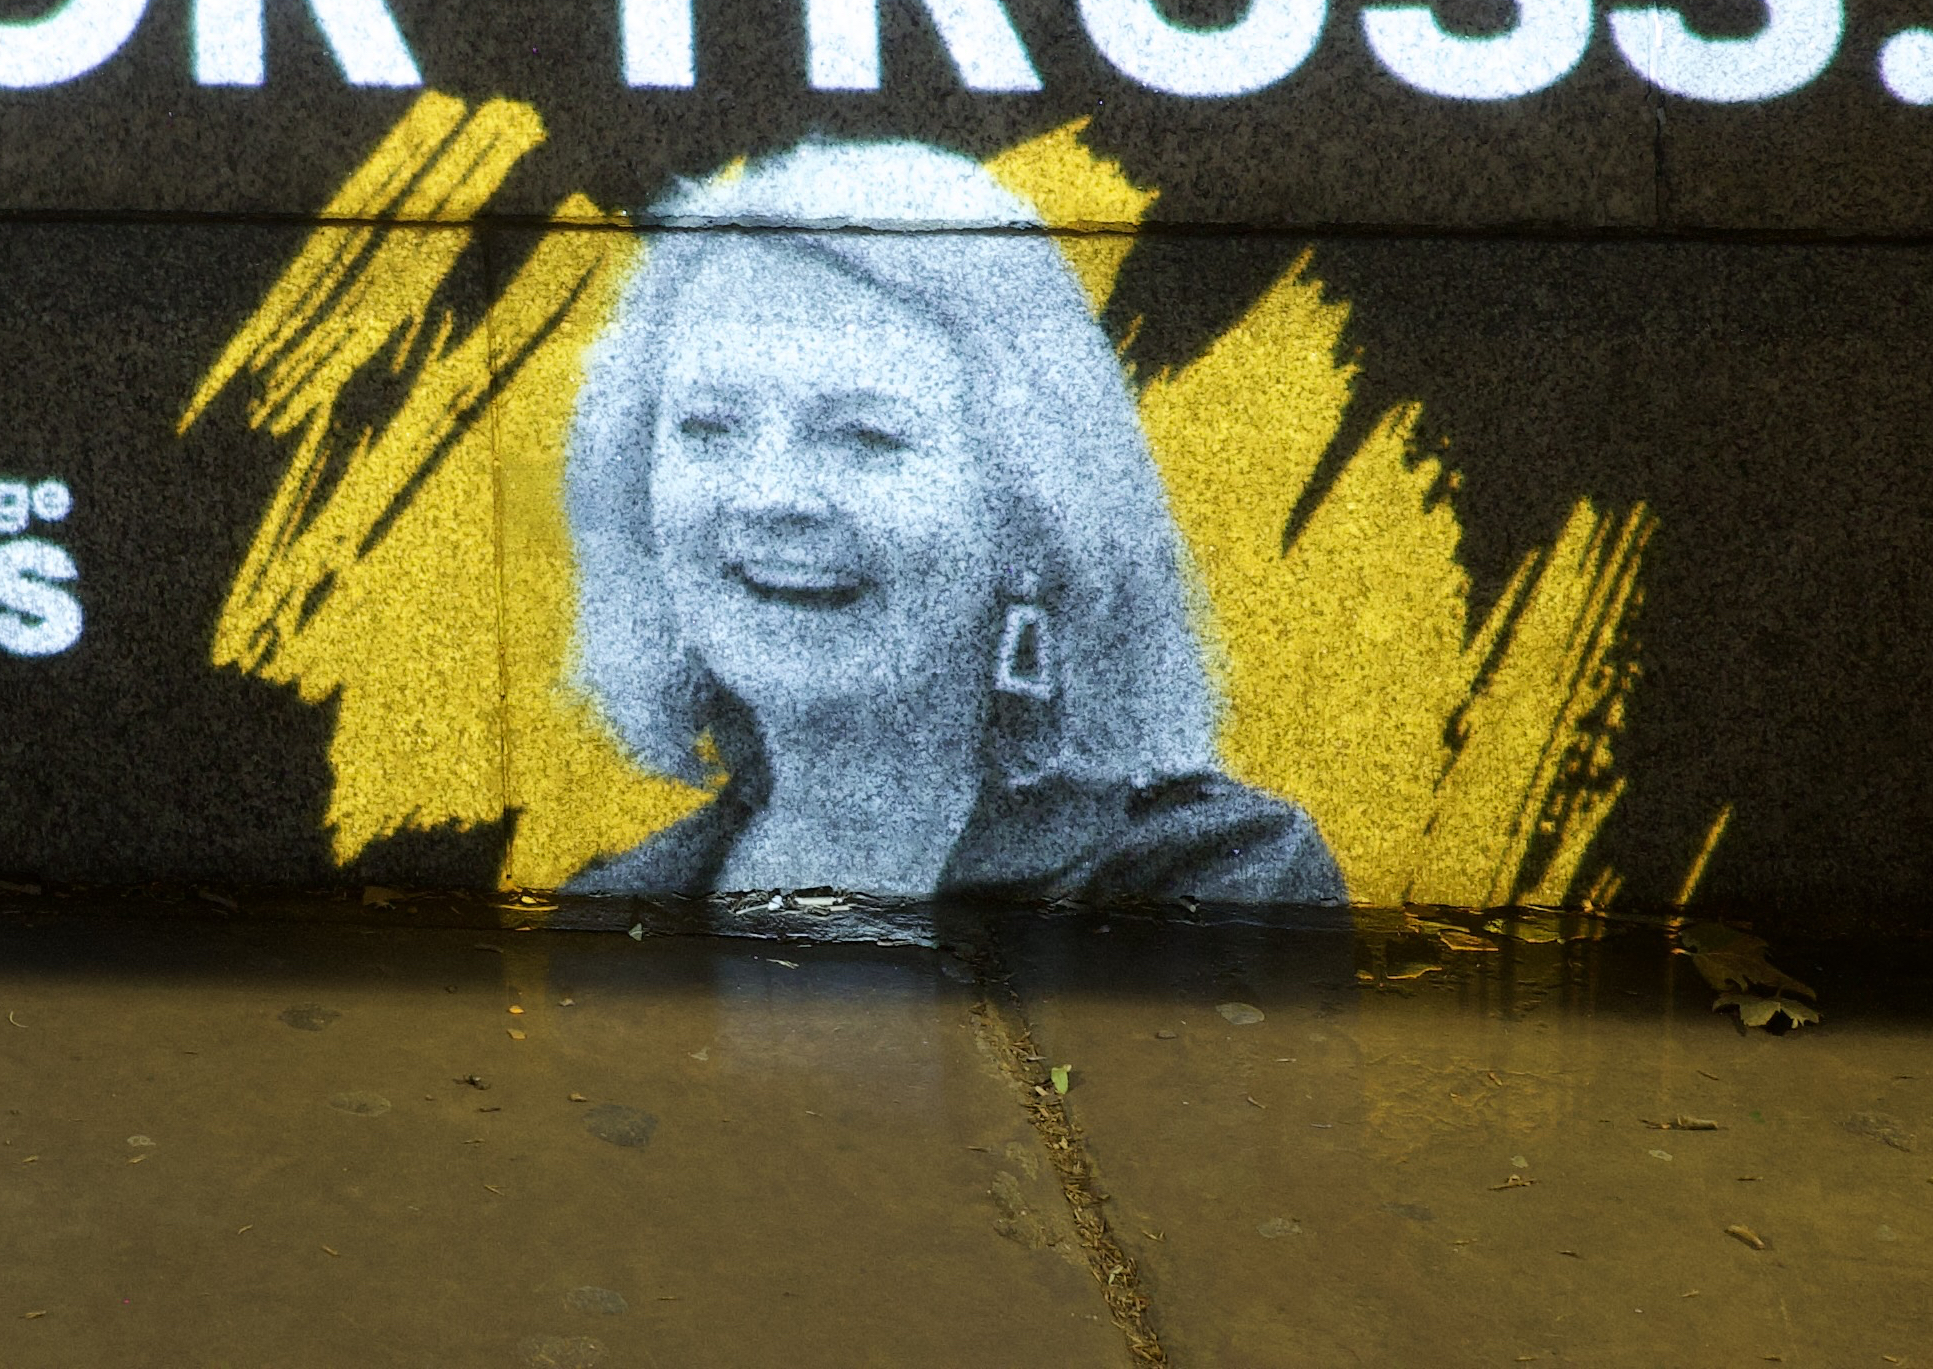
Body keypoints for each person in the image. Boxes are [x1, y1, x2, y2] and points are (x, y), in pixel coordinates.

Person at [550, 136, 1342, 926]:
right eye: (708, 427)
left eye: (863, 435)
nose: (769, 495)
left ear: (1034, 514)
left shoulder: (1218, 880)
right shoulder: (606, 923)